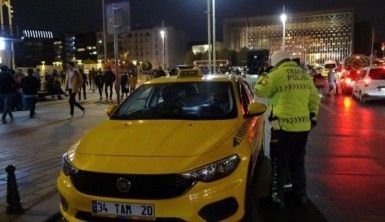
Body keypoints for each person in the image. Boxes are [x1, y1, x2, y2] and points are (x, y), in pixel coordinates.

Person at [254, 50, 320, 208]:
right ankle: (300, 195)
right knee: (298, 163)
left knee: (279, 163)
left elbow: (259, 90)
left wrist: (265, 74)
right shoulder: (303, 74)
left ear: (275, 62)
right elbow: (314, 98)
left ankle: (277, 199)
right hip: (303, 128)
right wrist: (313, 117)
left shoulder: (277, 73)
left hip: (282, 128)